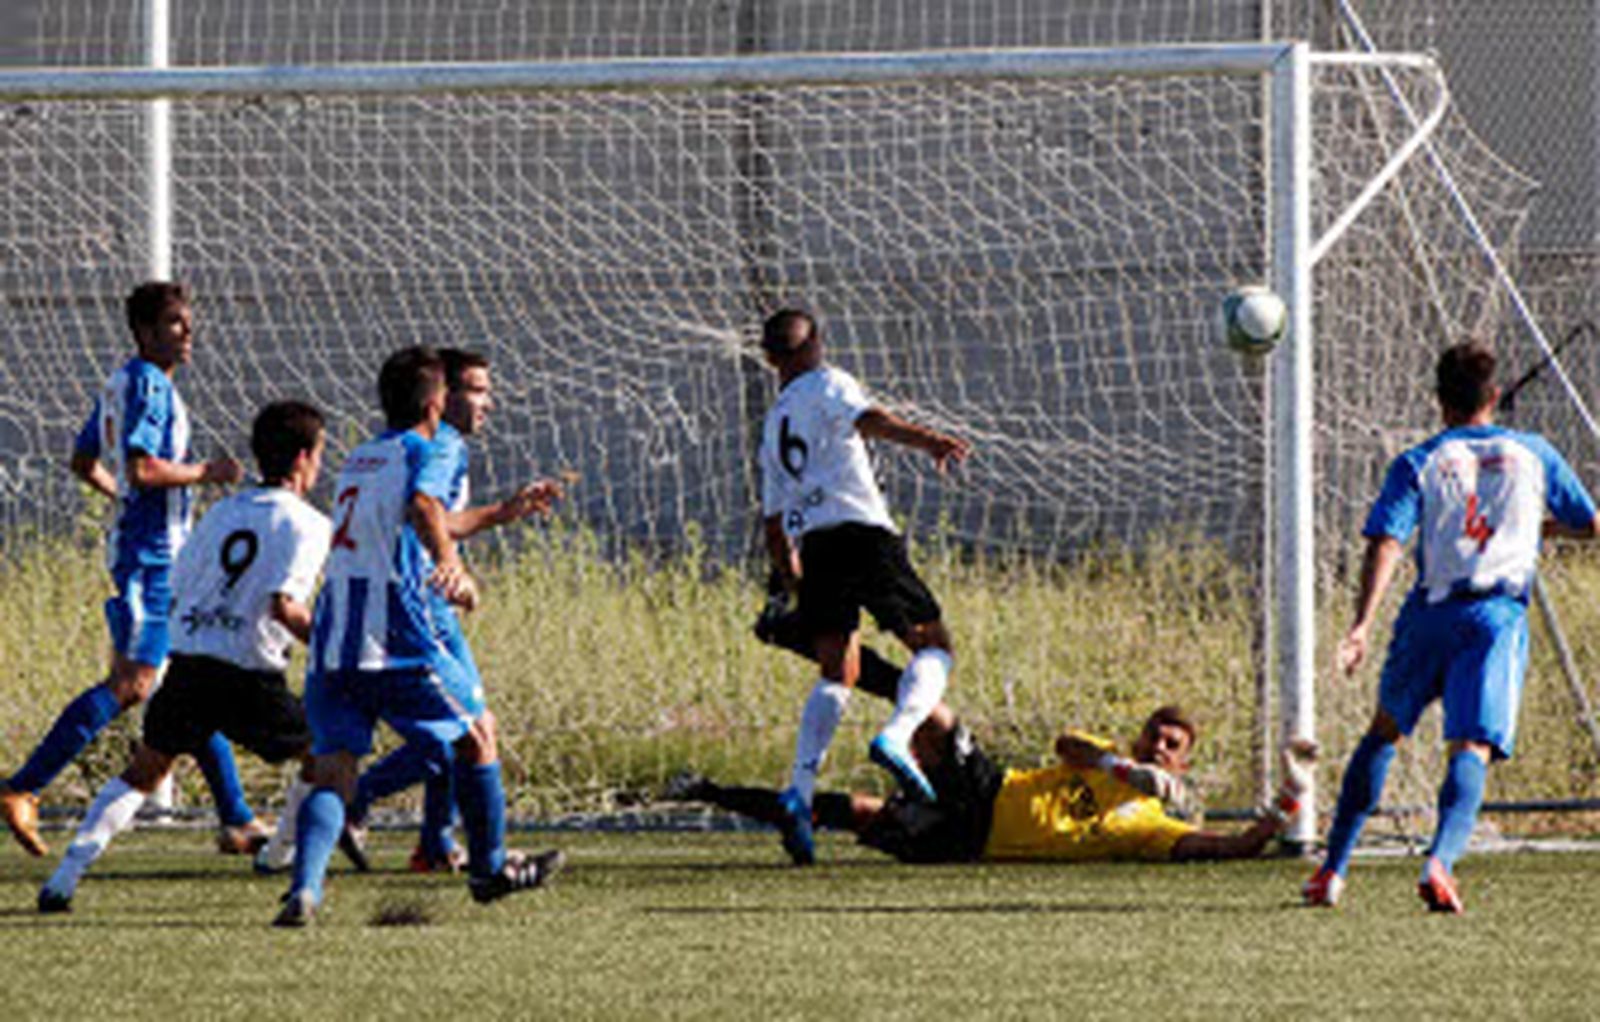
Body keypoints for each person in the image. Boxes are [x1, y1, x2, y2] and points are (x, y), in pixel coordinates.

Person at [1302, 341, 1600, 914]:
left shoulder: (1419, 460)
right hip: (1495, 618)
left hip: (1429, 615)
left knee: (1385, 730)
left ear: (1438, 400)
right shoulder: (1534, 453)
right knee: (1471, 745)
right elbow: (1589, 523)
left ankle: (1332, 870)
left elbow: (1386, 542)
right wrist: (1542, 530)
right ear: (1495, 395)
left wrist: (1361, 624)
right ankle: (1439, 862)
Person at [274, 346, 561, 927]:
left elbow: (421, 514)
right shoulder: (434, 447)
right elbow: (425, 504)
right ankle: (488, 869)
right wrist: (451, 565)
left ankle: (304, 890)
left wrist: (500, 513)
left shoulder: (362, 456)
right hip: (394, 632)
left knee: (334, 769)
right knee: (478, 733)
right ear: (437, 403)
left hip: (334, 635)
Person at [0, 281, 262, 860]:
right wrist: (206, 473)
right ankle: (22, 786)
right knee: (134, 684)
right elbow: (144, 470)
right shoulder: (148, 385)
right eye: (174, 322)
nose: (187, 331)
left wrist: (120, 495)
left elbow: (83, 460)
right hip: (152, 556)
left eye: (187, 320)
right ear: (145, 332)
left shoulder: (122, 381)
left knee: (190, 681)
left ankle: (238, 819)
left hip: (153, 551)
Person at [37, 401, 332, 912]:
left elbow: (179, 587)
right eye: (321, 454)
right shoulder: (308, 524)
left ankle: (63, 879)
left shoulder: (221, 512)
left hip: (190, 661)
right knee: (326, 754)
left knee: (145, 770)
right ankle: (279, 854)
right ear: (305, 457)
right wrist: (333, 645)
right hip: (248, 673)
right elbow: (284, 607)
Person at [757, 308, 971, 866]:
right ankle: (898, 735)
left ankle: (799, 792)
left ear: (770, 359)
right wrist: (929, 441)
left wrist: (794, 581)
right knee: (933, 646)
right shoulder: (829, 382)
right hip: (864, 535)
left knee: (838, 671)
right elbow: (870, 419)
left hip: (817, 548)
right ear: (816, 345)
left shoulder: (773, 424)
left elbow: (773, 526)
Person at [671, 705, 1314, 865]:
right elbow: (1065, 744)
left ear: (1182, 767)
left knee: (848, 812)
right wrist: (1122, 767)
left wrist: (1291, 794)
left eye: (1173, 745)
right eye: (1155, 734)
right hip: (989, 788)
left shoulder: (1154, 827)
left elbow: (1238, 846)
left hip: (968, 842)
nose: (1160, 745)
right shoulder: (1104, 755)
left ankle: (709, 791)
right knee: (936, 713)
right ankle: (892, 733)